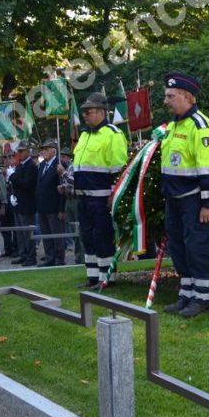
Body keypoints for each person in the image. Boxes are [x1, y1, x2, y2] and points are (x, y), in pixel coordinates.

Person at [159, 73, 209, 318]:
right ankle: (186, 294)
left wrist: (208, 204)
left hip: (194, 199)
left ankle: (203, 298)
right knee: (178, 248)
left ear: (187, 97)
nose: (166, 101)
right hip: (174, 198)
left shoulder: (201, 126)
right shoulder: (174, 125)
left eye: (170, 96)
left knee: (196, 247)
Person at [72, 92, 128, 288]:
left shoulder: (113, 134)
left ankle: (107, 278)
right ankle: (93, 277)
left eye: (90, 111)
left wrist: (114, 194)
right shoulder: (85, 135)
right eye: (85, 112)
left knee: (102, 236)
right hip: (83, 197)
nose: (85, 115)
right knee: (87, 237)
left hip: (102, 197)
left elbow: (119, 168)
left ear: (103, 113)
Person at [36, 140, 66, 267]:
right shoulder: (42, 165)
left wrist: (62, 209)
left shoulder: (60, 164)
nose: (43, 151)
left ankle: (59, 258)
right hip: (43, 206)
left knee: (56, 234)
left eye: (46, 149)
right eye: (42, 149)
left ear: (54, 150)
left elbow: (63, 188)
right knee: (46, 235)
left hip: (54, 207)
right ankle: (50, 258)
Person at [8, 144, 38, 266]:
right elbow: (16, 183)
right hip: (18, 203)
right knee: (20, 233)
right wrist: (12, 194)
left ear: (28, 152)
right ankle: (23, 254)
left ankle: (31, 257)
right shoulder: (20, 165)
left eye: (21, 151)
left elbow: (27, 184)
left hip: (27, 204)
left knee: (27, 233)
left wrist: (12, 177)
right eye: (18, 151)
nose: (19, 153)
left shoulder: (31, 166)